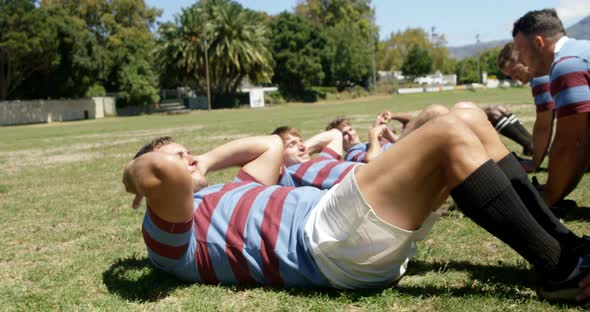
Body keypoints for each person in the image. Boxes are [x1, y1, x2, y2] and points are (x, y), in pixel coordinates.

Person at [123, 107, 590, 302]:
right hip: (323, 244)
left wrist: (203, 158)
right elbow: (152, 174)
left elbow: (268, 145)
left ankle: (565, 246)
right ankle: (559, 270)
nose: (185, 156)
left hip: (345, 230)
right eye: (176, 154)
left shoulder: (223, 193)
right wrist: (140, 170)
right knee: (445, 134)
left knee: (463, 115)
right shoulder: (168, 234)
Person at [512, 8, 590, 206]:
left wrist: (547, 198)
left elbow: (568, 145)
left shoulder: (567, 65)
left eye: (520, 51)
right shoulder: (578, 51)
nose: (520, 60)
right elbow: (582, 145)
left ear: (539, 43)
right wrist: (555, 194)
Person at [497, 41, 555, 171]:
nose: (514, 77)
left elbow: (544, 126)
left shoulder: (540, 79)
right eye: (509, 75)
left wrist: (534, 164)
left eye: (514, 71)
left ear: (524, 60)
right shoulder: (550, 69)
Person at [271, 126, 356, 189]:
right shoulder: (289, 177)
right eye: (292, 144)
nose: (302, 146)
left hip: (361, 171)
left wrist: (302, 148)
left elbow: (335, 134)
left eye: (301, 141)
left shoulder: (325, 159)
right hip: (357, 182)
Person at [325, 111, 402, 163]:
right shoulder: (351, 155)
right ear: (338, 140)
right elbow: (372, 161)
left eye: (350, 129)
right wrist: (373, 136)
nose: (350, 134)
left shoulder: (366, 145)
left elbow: (372, 144)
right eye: (345, 134)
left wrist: (378, 120)